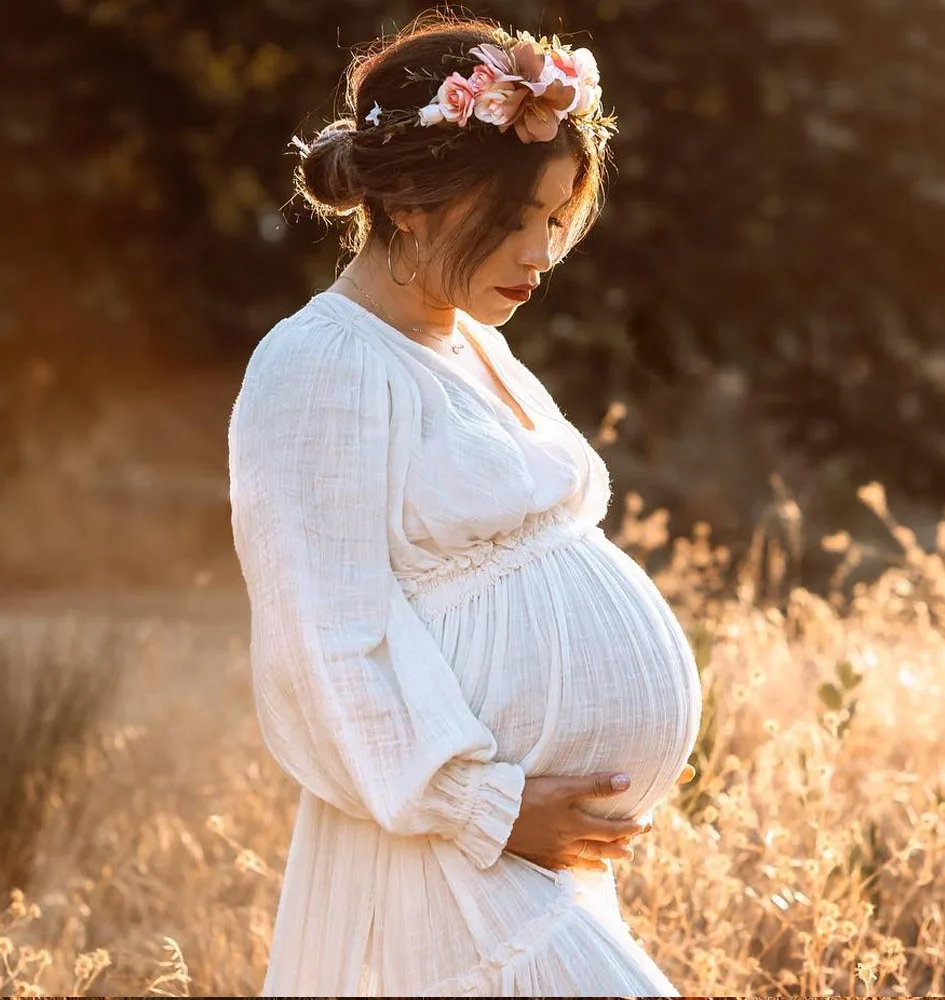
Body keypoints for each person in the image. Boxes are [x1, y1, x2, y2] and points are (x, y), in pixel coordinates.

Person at [227, 10, 703, 997]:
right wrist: (485, 806)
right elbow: (324, 641)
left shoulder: (467, 341)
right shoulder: (321, 365)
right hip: (451, 855)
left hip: (517, 867)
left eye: (555, 217)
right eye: (514, 216)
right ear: (410, 203)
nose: (540, 252)